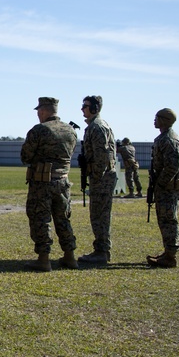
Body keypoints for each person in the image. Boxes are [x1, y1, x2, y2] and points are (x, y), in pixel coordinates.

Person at [21, 97, 79, 271]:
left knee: (41, 219)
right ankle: (70, 256)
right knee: (63, 218)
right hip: (63, 180)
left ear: (43, 111)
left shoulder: (39, 130)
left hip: (42, 182)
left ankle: (44, 258)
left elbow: (25, 156)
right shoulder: (70, 130)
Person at [78, 95, 117, 265]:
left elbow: (102, 157)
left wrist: (93, 173)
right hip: (102, 177)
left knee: (99, 215)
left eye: (85, 106)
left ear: (94, 108)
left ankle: (101, 251)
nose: (82, 109)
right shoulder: (97, 126)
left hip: (101, 178)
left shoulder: (97, 127)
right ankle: (101, 249)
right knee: (100, 215)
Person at [147, 108, 179, 268]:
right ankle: (168, 252)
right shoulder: (164, 137)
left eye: (157, 118)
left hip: (167, 187)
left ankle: (170, 256)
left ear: (164, 120)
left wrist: (160, 184)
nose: (154, 120)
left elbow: (173, 165)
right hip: (164, 185)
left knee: (168, 219)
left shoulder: (168, 139)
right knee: (164, 219)